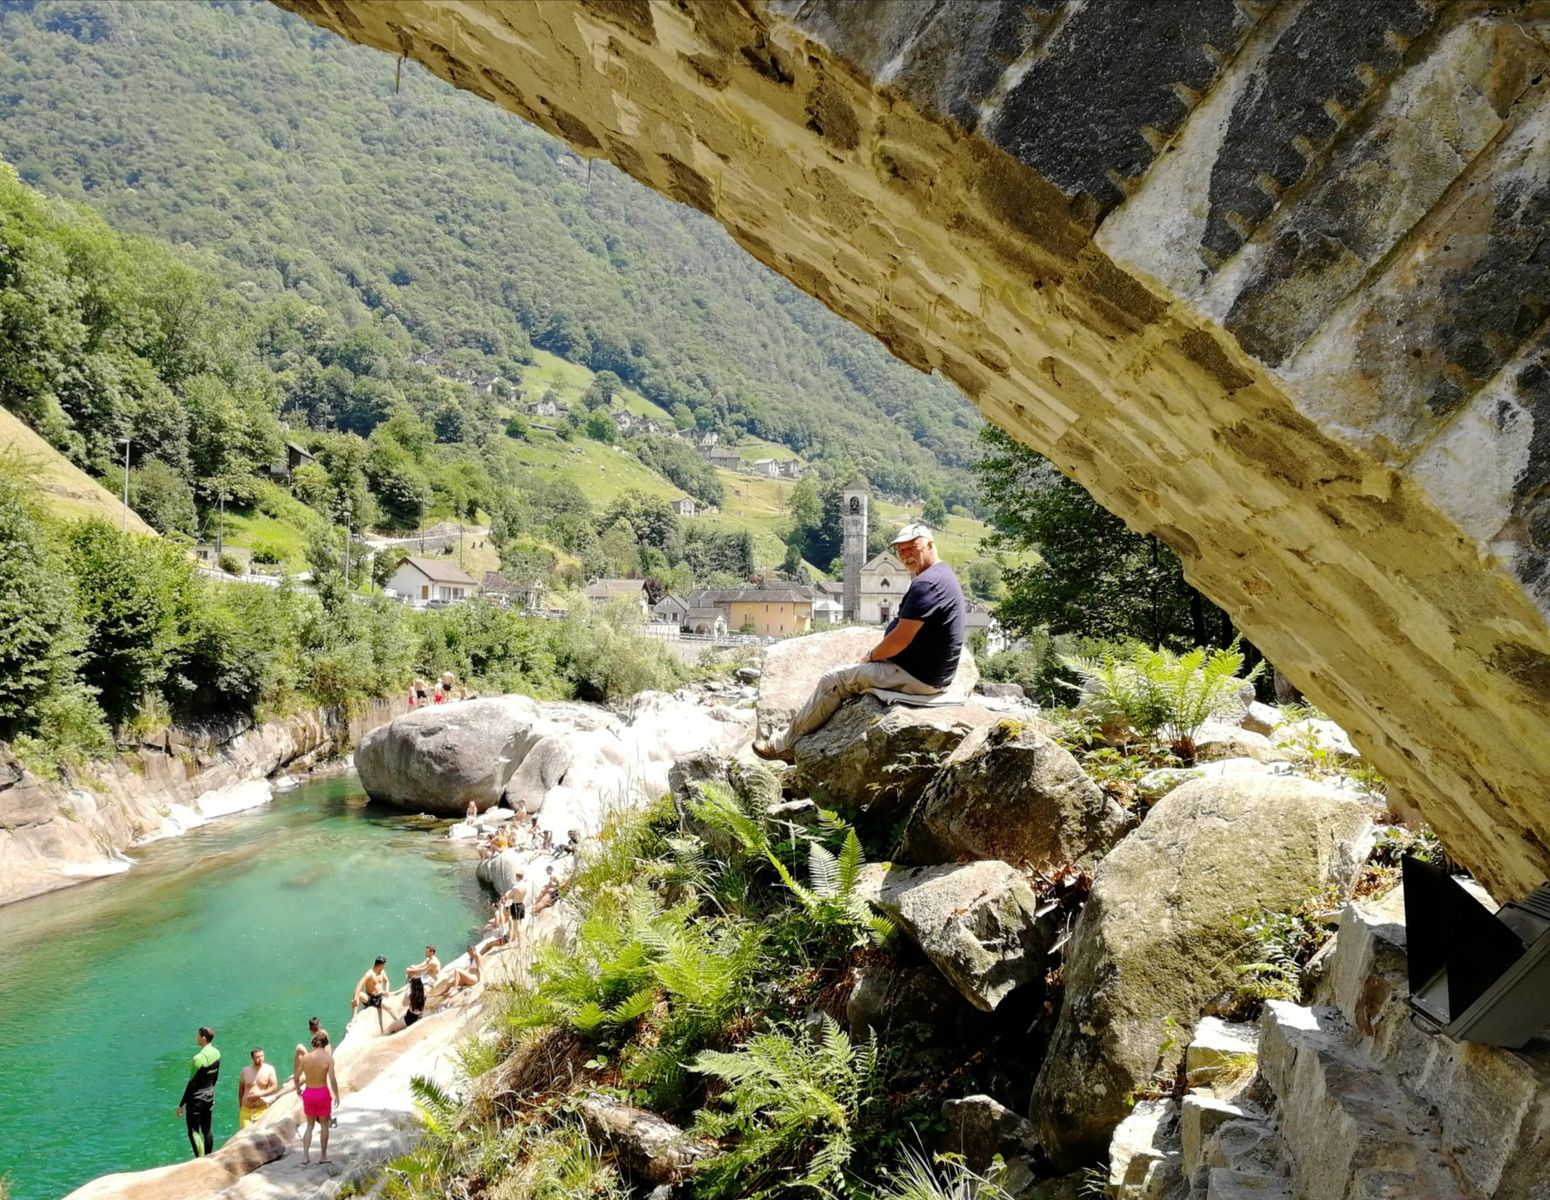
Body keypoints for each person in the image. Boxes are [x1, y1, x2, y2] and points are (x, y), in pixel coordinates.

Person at [755, 523, 966, 760]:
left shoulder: (927, 584)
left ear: (929, 545)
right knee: (852, 671)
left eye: (912, 548)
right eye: (901, 550)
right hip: (929, 673)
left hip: (917, 677)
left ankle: (782, 745)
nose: (906, 555)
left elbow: (900, 640)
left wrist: (871, 656)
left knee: (833, 680)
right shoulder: (941, 574)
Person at [175, 1026, 221, 1157]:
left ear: (203, 1038)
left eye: (198, 1035)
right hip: (209, 1095)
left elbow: (192, 1084)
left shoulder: (198, 1058)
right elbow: (215, 1077)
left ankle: (200, 1160)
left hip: (196, 1099)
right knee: (207, 1130)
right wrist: (211, 1091)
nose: (196, 1038)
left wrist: (181, 1104)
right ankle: (209, 1157)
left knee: (193, 1131)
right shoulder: (217, 1053)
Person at [297, 1031, 342, 1165]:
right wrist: (337, 1095)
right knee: (324, 1125)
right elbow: (332, 1079)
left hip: (309, 1092)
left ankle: (305, 1156)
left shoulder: (305, 1058)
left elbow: (296, 1076)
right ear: (325, 1043)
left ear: (313, 1043)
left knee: (310, 1125)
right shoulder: (328, 1059)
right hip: (322, 1093)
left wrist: (298, 1089)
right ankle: (323, 1156)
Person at [237, 1046, 279, 1131]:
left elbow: (274, 1087)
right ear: (252, 1058)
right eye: (258, 1057)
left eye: (262, 1056)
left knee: (260, 1135)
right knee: (245, 1135)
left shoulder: (269, 1069)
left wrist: (259, 1094)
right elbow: (241, 1090)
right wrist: (241, 1106)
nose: (260, 1059)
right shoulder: (245, 1071)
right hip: (246, 1110)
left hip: (262, 1110)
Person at [352, 955, 391, 1033]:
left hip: (379, 997)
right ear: (380, 965)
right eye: (383, 964)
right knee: (358, 995)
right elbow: (359, 985)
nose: (384, 966)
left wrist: (387, 990)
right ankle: (354, 1016)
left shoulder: (382, 972)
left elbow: (387, 981)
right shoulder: (369, 973)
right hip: (369, 998)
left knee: (390, 1008)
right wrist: (355, 998)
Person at [291, 1016, 327, 1091]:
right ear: (320, 1025)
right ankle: (297, 1075)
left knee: (299, 1048)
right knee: (300, 1049)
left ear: (309, 1029)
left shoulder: (320, 1037)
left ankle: (296, 1083)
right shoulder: (321, 1034)